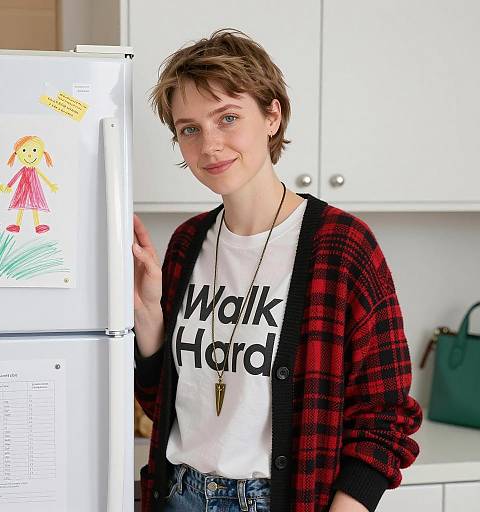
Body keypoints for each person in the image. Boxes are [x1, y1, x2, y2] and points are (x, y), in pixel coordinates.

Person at [133, 29, 422, 512]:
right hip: (176, 495)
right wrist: (149, 326)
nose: (209, 145)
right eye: (189, 128)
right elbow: (161, 404)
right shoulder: (186, 244)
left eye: (227, 117)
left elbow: (385, 417)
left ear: (272, 114)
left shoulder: (342, 246)